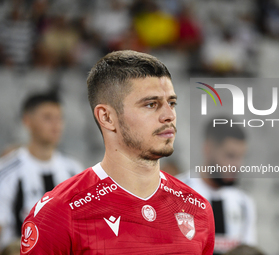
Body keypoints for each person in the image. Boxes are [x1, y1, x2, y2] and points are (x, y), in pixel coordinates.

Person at [20, 50, 215, 254]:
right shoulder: (60, 212)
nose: (169, 115)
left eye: (172, 103)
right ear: (107, 118)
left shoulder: (197, 207)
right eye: (151, 104)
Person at [0, 91, 83, 250]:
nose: (56, 125)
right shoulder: (6, 172)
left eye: (59, 118)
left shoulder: (74, 171)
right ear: (27, 121)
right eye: (47, 118)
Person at [179, 116, 256, 255]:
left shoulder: (244, 202)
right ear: (208, 149)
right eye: (230, 156)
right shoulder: (176, 191)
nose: (238, 165)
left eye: (241, 157)